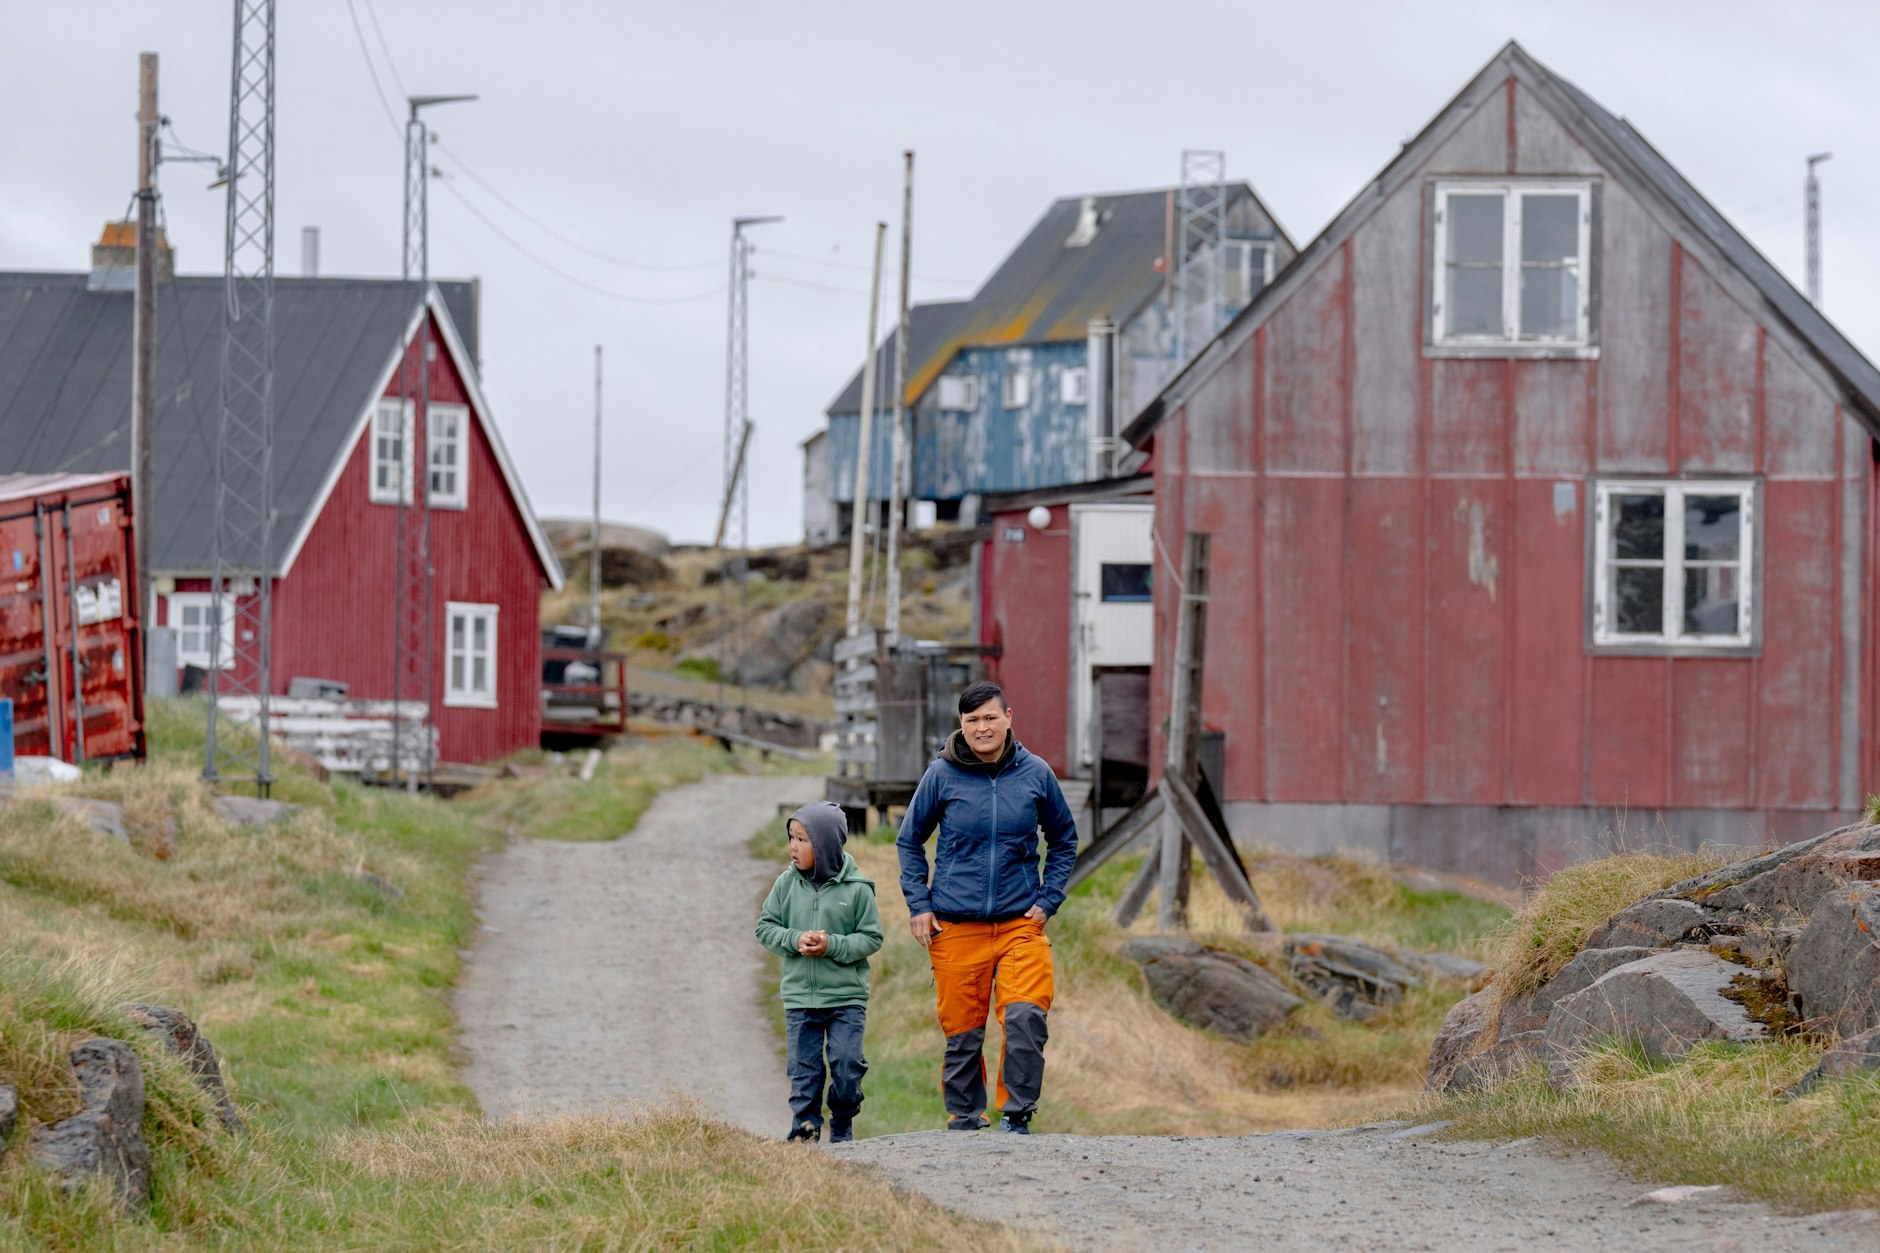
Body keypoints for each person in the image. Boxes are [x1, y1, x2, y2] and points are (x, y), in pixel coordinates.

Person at [896, 681, 1078, 1134]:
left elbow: (1064, 840)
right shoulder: (940, 775)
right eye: (972, 720)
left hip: (1020, 923)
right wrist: (919, 904)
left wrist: (1048, 900)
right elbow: (909, 840)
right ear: (961, 725)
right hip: (955, 924)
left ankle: (1016, 1113)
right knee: (962, 1030)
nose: (982, 727)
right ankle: (965, 1114)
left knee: (1025, 1016)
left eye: (990, 718)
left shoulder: (1036, 773)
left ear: (1009, 718)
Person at [755, 800, 884, 1144]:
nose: (793, 847)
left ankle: (842, 1121)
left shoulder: (857, 889)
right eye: (791, 838)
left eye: (802, 839)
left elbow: (871, 938)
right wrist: (795, 939)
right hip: (800, 998)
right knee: (804, 1072)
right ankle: (805, 1132)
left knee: (846, 1066)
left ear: (826, 845)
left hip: (846, 998)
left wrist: (833, 945)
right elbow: (765, 928)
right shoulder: (785, 884)